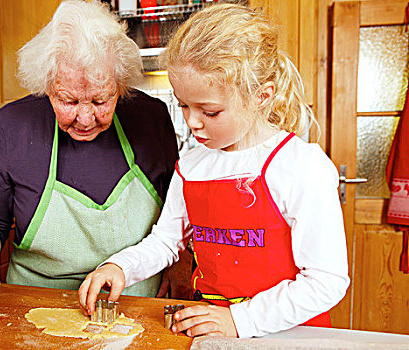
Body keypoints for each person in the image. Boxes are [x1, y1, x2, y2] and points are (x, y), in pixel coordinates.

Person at [78, 3, 350, 338]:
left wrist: (238, 320)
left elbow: (326, 281)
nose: (192, 122)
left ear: (262, 96)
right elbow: (166, 241)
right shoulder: (192, 166)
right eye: (184, 106)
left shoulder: (300, 167)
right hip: (210, 330)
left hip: (289, 335)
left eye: (210, 111)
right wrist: (121, 266)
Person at [0, 0, 178, 296]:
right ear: (45, 85)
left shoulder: (151, 118)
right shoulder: (12, 125)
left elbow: (180, 215)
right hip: (34, 302)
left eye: (100, 100)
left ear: (120, 85)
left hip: (135, 301)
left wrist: (179, 267)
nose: (84, 119)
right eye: (68, 101)